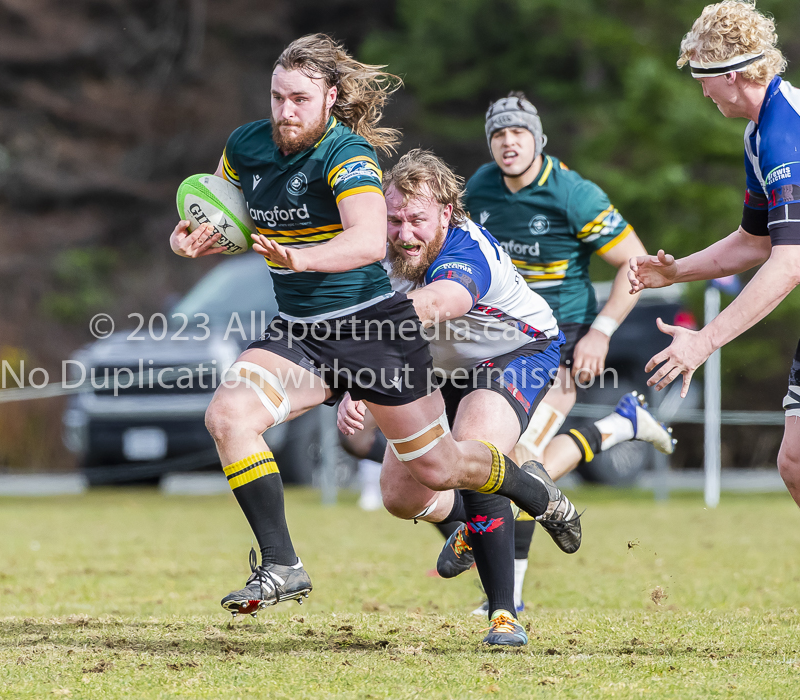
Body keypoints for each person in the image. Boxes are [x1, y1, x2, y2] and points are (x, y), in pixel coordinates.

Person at [168, 34, 582, 619]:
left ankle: (527, 502)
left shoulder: (349, 156)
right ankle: (282, 562)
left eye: (300, 99)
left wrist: (305, 264)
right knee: (228, 416)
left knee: (442, 469)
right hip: (302, 329)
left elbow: (369, 242)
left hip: (398, 336)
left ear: (331, 98)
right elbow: (219, 208)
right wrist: (189, 238)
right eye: (278, 97)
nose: (286, 111)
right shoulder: (246, 146)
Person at [443, 92, 675, 614]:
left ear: (539, 139)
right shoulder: (478, 189)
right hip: (500, 338)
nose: (509, 142)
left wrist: (603, 331)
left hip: (563, 337)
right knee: (526, 462)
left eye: (519, 132)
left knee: (515, 458)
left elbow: (634, 264)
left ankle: (508, 597)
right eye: (499, 133)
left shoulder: (574, 194)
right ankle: (617, 428)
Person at [338, 148, 567, 646]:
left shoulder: (467, 250)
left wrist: (367, 331)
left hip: (517, 350)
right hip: (441, 366)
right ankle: (520, 499)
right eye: (394, 218)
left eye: (417, 219)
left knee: (474, 455)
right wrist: (354, 385)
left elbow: (441, 302)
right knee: (402, 497)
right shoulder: (380, 252)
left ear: (446, 213)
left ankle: (503, 615)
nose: (404, 233)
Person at [629, 1, 800, 508]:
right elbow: (756, 241)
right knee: (794, 461)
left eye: (703, 77)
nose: (701, 90)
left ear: (730, 74)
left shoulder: (785, 134)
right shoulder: (759, 134)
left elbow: (789, 264)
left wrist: (704, 342)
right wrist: (678, 271)